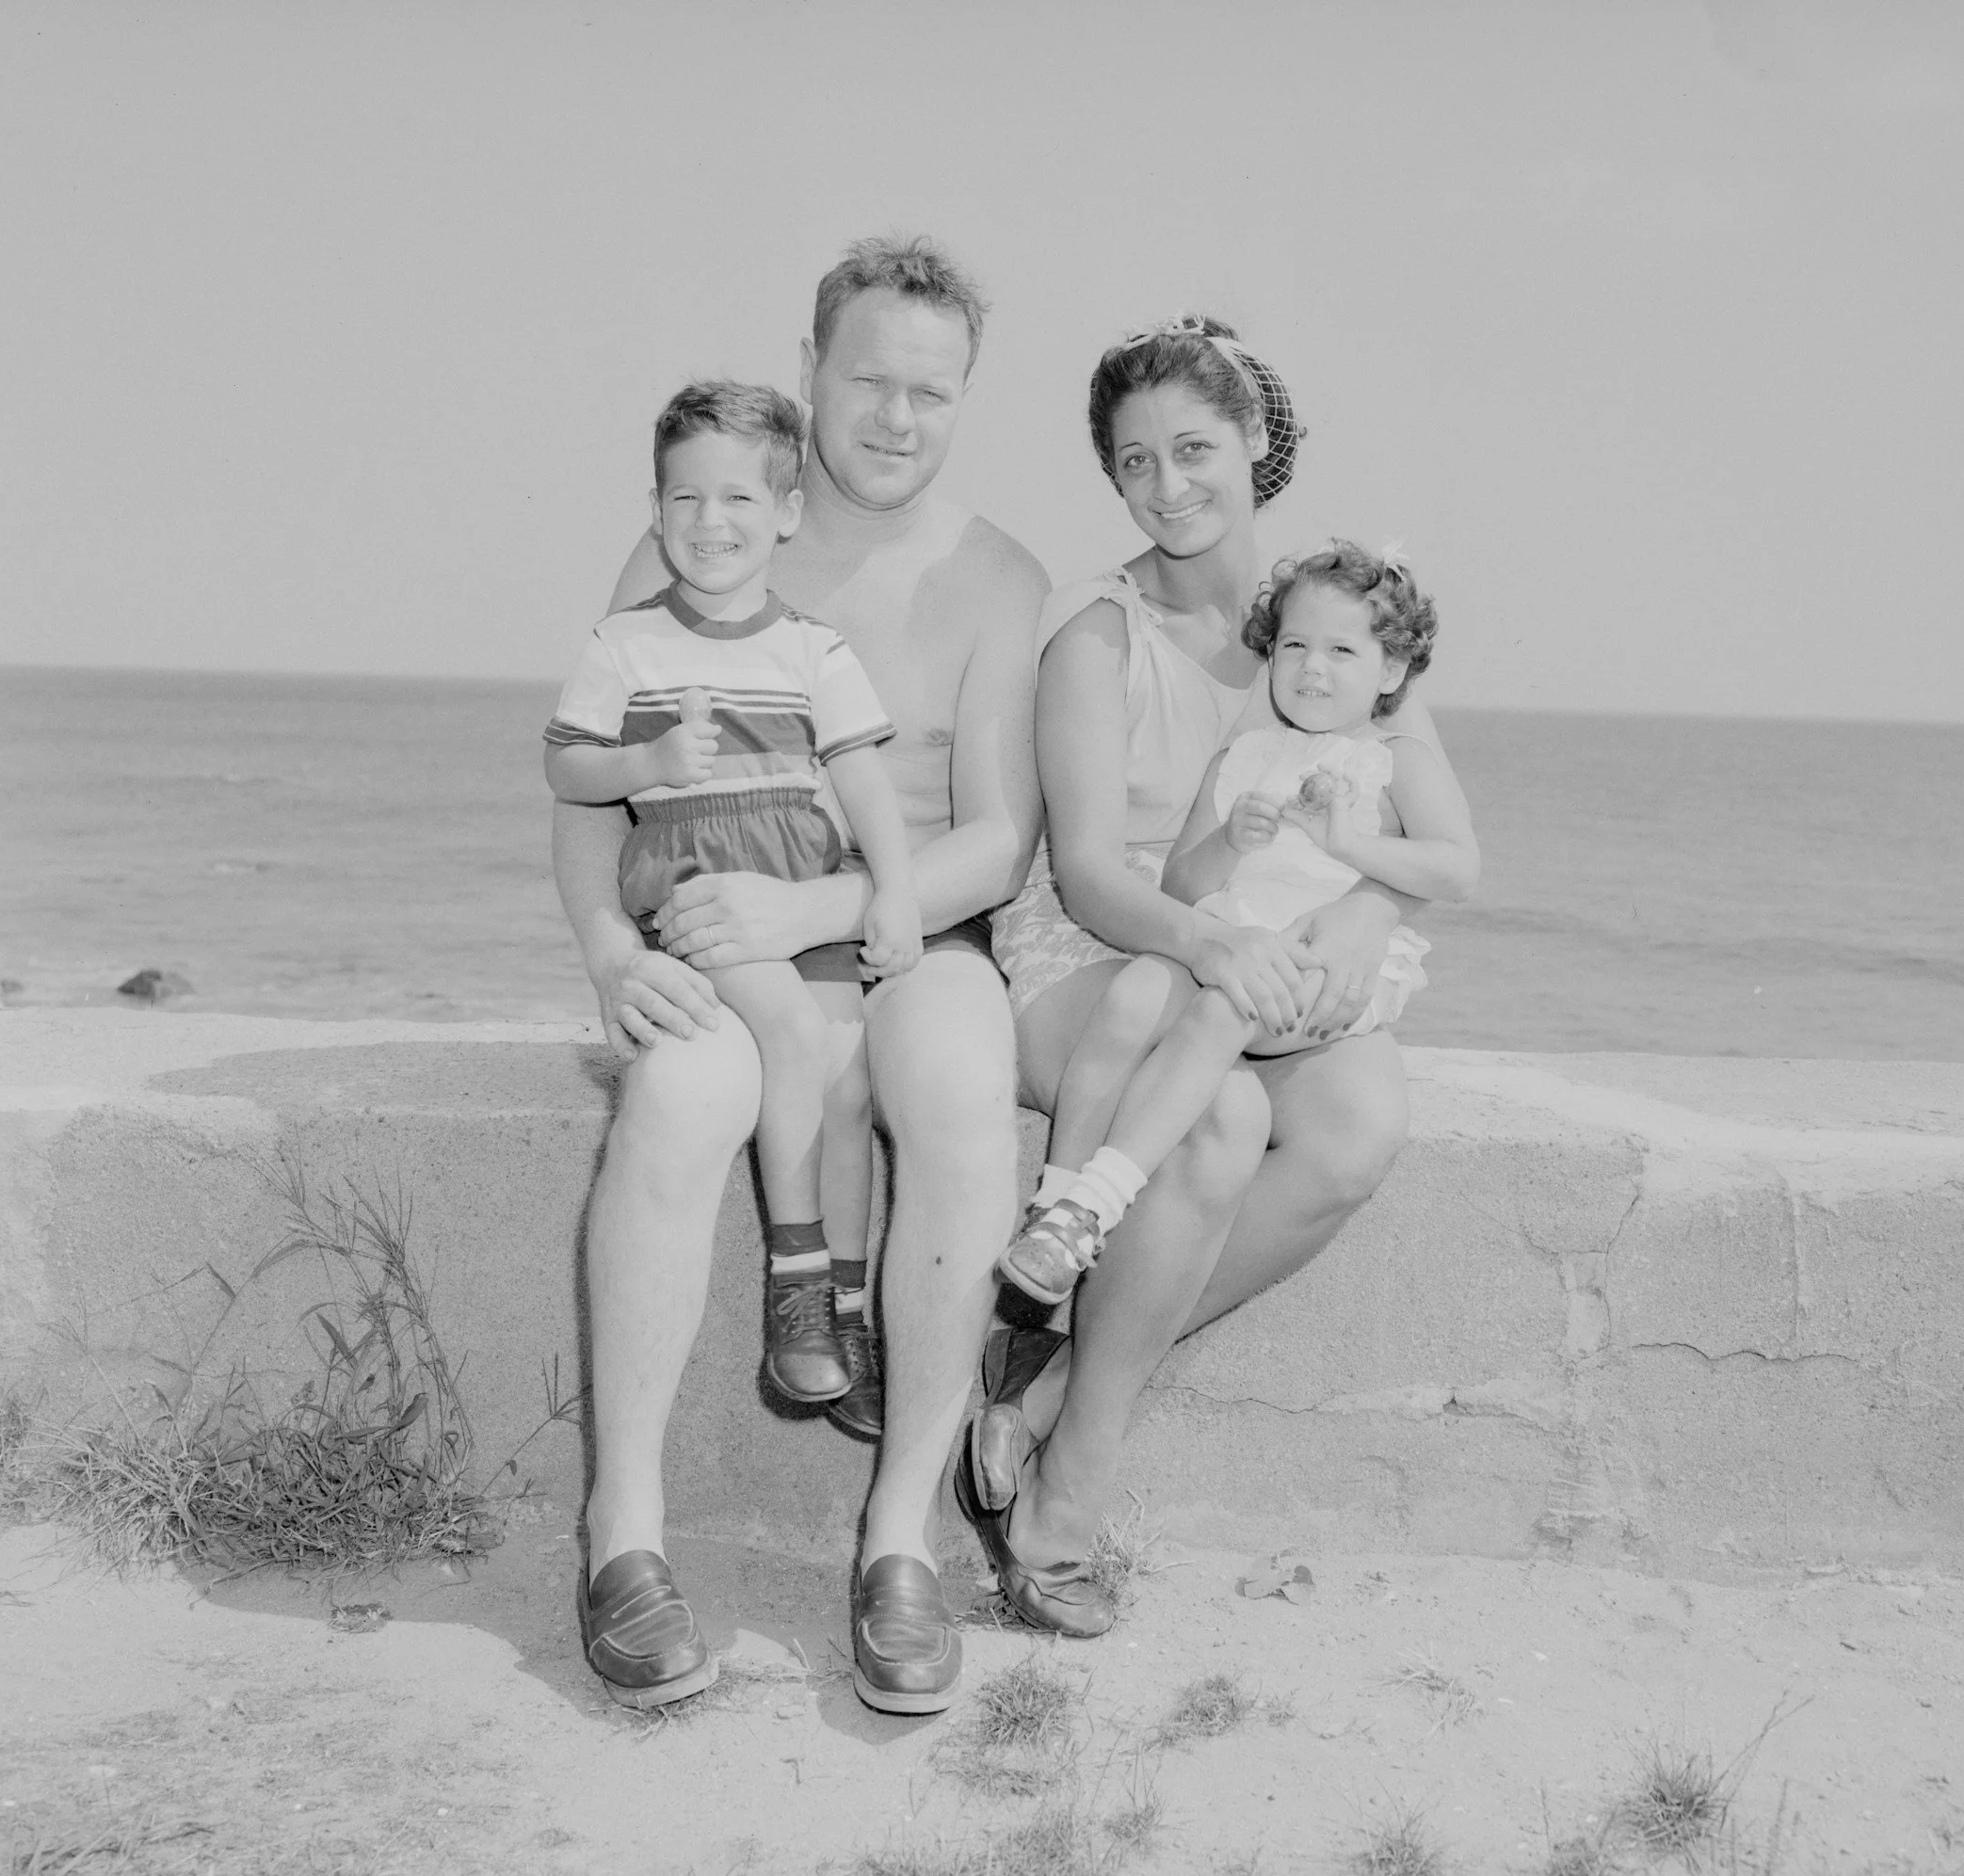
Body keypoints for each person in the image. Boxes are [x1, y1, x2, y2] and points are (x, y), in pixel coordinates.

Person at [553, 236, 1045, 1714]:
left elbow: (1000, 835)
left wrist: (819, 904)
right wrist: (605, 954)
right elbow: (584, 796)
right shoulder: (702, 535)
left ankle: (899, 1545)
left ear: (963, 398)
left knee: (962, 1092)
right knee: (680, 1096)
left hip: (908, 938)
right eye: (870, 380)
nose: (897, 417)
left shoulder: (995, 576)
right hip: (716, 941)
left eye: (932, 391)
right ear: (813, 370)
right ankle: (621, 1537)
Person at [964, 316, 1476, 1637]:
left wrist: (1363, 906)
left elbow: (1418, 820)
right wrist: (1211, 944)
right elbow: (1084, 871)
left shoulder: (1334, 618)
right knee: (1227, 1119)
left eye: (1195, 447)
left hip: (1280, 950)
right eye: (1134, 461)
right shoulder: (1095, 631)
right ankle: (1071, 1486)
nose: (1168, 482)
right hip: (1118, 947)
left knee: (1360, 1129)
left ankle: (1045, 1393)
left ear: (1256, 442)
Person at [544, 380, 921, 1422]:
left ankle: (847, 1306)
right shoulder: (627, 643)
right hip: (697, 886)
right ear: (656, 509)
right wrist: (647, 758)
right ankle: (795, 1278)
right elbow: (564, 771)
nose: (711, 524)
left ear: (786, 511)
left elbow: (860, 781)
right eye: (685, 501)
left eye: (739, 501)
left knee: (846, 1084)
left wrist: (888, 890)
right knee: (796, 1037)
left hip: (795, 881)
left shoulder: (813, 648)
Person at [998, 540, 1476, 1306]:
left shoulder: (1395, 757)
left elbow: (1458, 867)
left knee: (1224, 1008)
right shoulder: (1248, 755)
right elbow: (1186, 884)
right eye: (1294, 646)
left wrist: (1354, 847)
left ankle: (1097, 1203)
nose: (1312, 669)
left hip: (1321, 973)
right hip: (1237, 942)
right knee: (1132, 998)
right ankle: (1053, 1202)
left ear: (1390, 670)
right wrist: (1231, 840)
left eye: (1341, 651)